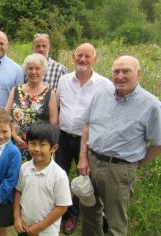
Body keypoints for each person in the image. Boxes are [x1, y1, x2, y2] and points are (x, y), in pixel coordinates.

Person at [77, 56, 161, 236]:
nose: (120, 76)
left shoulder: (151, 105)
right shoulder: (102, 94)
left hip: (119, 171)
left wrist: (135, 164)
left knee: (115, 222)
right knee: (89, 210)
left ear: (138, 73)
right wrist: (83, 157)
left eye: (126, 71)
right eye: (116, 71)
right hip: (91, 162)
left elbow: (160, 145)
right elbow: (87, 125)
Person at [55, 43, 111, 234]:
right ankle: (60, 210)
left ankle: (73, 214)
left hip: (86, 141)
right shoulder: (63, 81)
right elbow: (59, 106)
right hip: (62, 137)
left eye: (87, 56)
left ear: (95, 59)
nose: (83, 60)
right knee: (60, 175)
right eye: (80, 55)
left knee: (82, 179)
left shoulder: (105, 85)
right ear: (73, 57)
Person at [14, 121, 72, 236]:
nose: (36, 149)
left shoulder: (59, 175)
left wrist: (39, 227)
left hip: (46, 232)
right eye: (32, 143)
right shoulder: (24, 168)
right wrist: (17, 217)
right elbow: (18, 191)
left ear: (54, 148)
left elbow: (62, 207)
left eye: (42, 145)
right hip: (24, 228)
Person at [5, 53, 58, 161]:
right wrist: (15, 136)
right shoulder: (15, 90)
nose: (33, 72)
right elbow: (5, 117)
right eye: (30, 69)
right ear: (26, 70)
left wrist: (42, 143)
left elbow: (53, 122)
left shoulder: (50, 93)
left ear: (43, 71)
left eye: (37, 68)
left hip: (38, 148)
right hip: (15, 144)